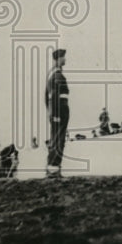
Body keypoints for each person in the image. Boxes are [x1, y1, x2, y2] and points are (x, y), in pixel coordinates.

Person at [44, 48, 70, 177]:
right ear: (57, 59)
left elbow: (45, 97)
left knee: (57, 138)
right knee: (58, 140)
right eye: (63, 57)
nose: (65, 59)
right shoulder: (57, 75)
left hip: (57, 111)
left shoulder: (52, 75)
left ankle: (53, 167)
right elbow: (52, 95)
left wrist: (50, 112)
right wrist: (55, 114)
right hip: (60, 111)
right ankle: (53, 168)